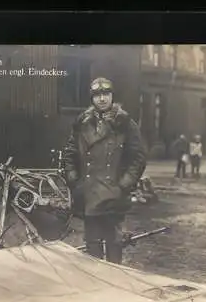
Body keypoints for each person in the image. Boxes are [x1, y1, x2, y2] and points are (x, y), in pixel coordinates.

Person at [62, 77, 146, 264]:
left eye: (106, 94)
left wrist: (124, 184)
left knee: (113, 242)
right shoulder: (82, 123)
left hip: (113, 192)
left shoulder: (125, 123)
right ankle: (96, 284)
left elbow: (138, 157)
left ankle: (114, 284)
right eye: (97, 95)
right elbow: (70, 152)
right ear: (92, 99)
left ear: (112, 97)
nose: (102, 99)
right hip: (89, 191)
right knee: (92, 243)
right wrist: (74, 179)